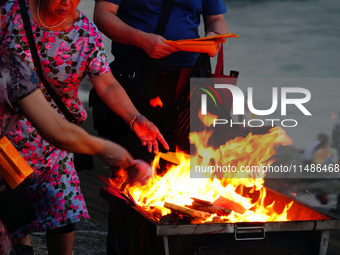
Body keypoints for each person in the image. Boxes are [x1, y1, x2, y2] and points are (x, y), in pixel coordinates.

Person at [0, 0, 168, 254]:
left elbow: (107, 84)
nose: (67, 2)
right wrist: (110, 151)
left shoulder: (85, 34)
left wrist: (135, 117)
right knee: (16, 220)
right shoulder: (10, 13)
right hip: (8, 141)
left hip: (59, 138)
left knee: (64, 210)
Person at [92, 0, 229, 161]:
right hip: (135, 79)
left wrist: (216, 36)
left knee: (190, 161)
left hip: (190, 82)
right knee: (135, 162)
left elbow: (216, 19)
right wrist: (140, 39)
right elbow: (103, 14)